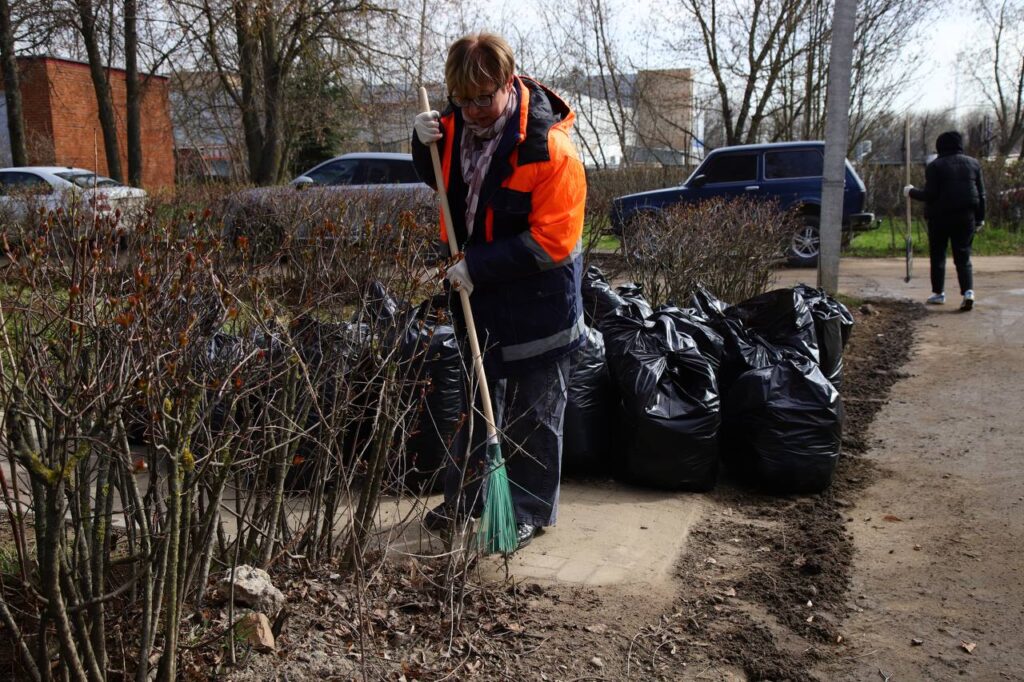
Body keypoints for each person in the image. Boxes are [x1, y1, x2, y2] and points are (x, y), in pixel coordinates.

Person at [410, 33, 586, 550]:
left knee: (535, 415)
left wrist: (478, 267)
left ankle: (529, 510)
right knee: (477, 407)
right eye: (461, 100)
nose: (472, 111)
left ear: (509, 84)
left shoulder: (549, 149)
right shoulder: (450, 127)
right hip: (479, 301)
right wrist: (421, 147)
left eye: (483, 99)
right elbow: (445, 189)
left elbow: (552, 240)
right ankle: (469, 499)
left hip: (539, 305)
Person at [904, 130, 985, 311]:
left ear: (940, 146)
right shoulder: (973, 164)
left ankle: (939, 293)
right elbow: (981, 194)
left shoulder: (936, 166)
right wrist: (980, 218)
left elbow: (930, 194)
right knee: (963, 256)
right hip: (966, 217)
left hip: (940, 218)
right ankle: (968, 292)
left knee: (938, 255)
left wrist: (910, 192)